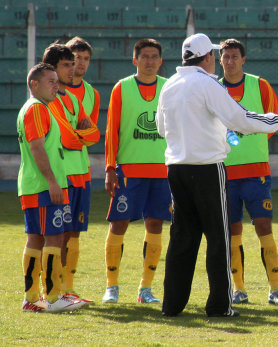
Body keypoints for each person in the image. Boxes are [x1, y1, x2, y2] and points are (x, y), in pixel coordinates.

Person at [156, 33, 278, 318]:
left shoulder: (169, 84)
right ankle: (220, 305)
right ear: (206, 57)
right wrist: (273, 120)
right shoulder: (207, 83)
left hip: (176, 168)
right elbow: (239, 118)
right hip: (207, 168)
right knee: (219, 238)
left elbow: (160, 127)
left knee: (182, 237)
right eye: (214, 56)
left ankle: (172, 305)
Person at [218, 38, 278, 306]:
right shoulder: (214, 88)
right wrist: (235, 143)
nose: (230, 61)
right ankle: (239, 289)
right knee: (233, 231)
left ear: (243, 59)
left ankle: (275, 289)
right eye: (225, 56)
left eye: (235, 56)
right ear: (220, 59)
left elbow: (272, 123)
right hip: (225, 171)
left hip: (256, 171)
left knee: (264, 226)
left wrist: (248, 145)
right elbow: (216, 128)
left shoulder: (260, 85)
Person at [103, 38, 170, 304]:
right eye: (145, 56)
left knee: (155, 224)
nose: (150, 61)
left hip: (163, 172)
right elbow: (112, 131)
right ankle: (112, 286)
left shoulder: (169, 88)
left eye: (155, 56)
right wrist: (110, 168)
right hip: (129, 171)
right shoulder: (122, 88)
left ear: (161, 61)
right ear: (135, 60)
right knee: (118, 224)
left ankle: (146, 289)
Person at [18, 63, 87, 312]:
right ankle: (55, 297)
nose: (56, 85)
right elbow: (37, 147)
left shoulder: (41, 108)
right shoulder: (37, 109)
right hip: (43, 187)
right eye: (50, 81)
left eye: (57, 81)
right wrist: (52, 182)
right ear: (34, 84)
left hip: (34, 186)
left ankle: (32, 297)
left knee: (36, 238)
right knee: (54, 237)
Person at [43, 43, 100, 304]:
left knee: (73, 232)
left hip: (81, 173)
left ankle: (67, 288)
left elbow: (95, 135)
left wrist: (81, 134)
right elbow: (68, 138)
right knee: (56, 234)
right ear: (51, 69)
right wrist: (81, 134)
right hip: (62, 175)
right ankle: (51, 291)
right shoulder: (48, 101)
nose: (74, 67)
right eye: (67, 64)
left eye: (74, 62)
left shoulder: (76, 99)